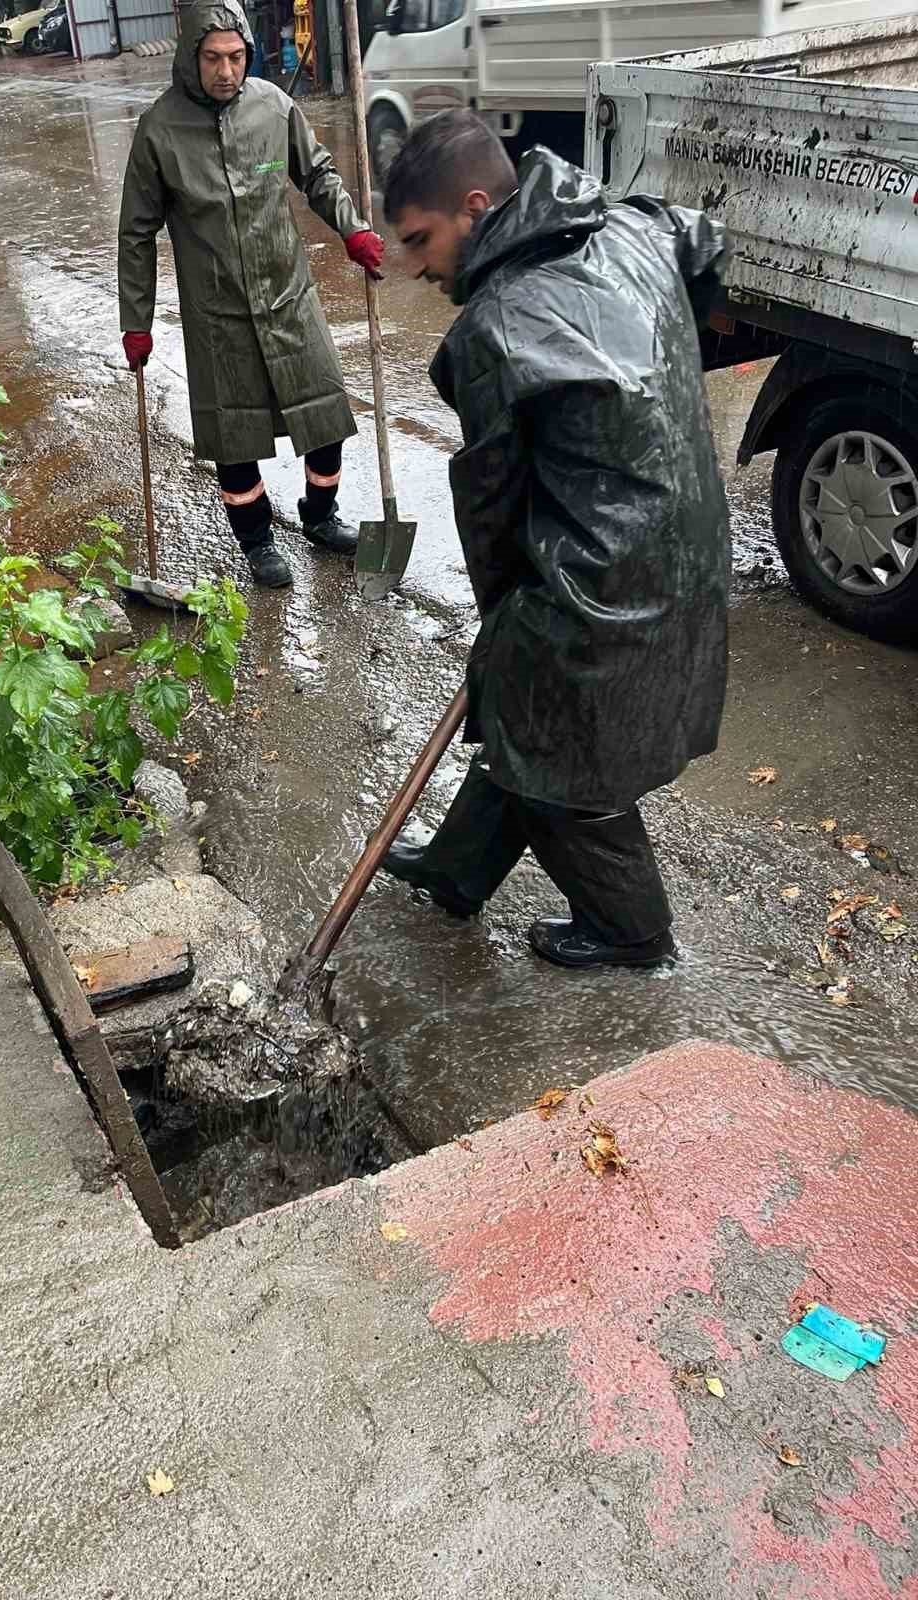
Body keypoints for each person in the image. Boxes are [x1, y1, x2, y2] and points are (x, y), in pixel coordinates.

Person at [379, 111, 731, 969]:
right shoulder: (629, 222)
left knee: (540, 713)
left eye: (422, 241)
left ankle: (632, 930)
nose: (415, 266)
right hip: (690, 536)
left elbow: (492, 510)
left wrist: (504, 628)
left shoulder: (492, 328)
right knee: (525, 700)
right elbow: (704, 243)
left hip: (614, 573)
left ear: (474, 207)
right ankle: (458, 870)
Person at [117, 0, 384, 589]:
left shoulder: (273, 107)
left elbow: (316, 174)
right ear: (191, 58)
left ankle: (320, 516)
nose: (226, 71)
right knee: (233, 436)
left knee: (325, 413)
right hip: (218, 313)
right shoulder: (159, 131)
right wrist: (135, 320)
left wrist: (353, 228)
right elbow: (136, 232)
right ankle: (259, 542)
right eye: (213, 58)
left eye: (236, 57)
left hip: (287, 293)